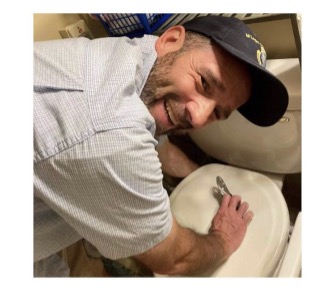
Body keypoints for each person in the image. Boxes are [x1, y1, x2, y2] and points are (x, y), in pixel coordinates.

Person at [33, 15, 288, 277]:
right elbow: (174, 259)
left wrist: (198, 174)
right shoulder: (113, 134)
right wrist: (224, 238)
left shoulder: (132, 57)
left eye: (218, 113)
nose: (199, 117)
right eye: (204, 82)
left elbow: (160, 143)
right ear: (170, 39)